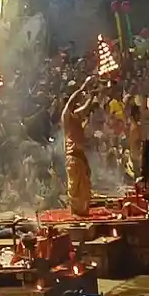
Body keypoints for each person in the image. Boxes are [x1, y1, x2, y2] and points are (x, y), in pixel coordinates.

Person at [62, 76, 97, 216]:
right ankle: (77, 215)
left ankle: (83, 213)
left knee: (85, 188)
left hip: (80, 157)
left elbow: (85, 107)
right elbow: (72, 102)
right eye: (75, 106)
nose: (77, 107)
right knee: (75, 190)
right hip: (73, 157)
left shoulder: (75, 116)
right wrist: (83, 86)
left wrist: (92, 96)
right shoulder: (66, 116)